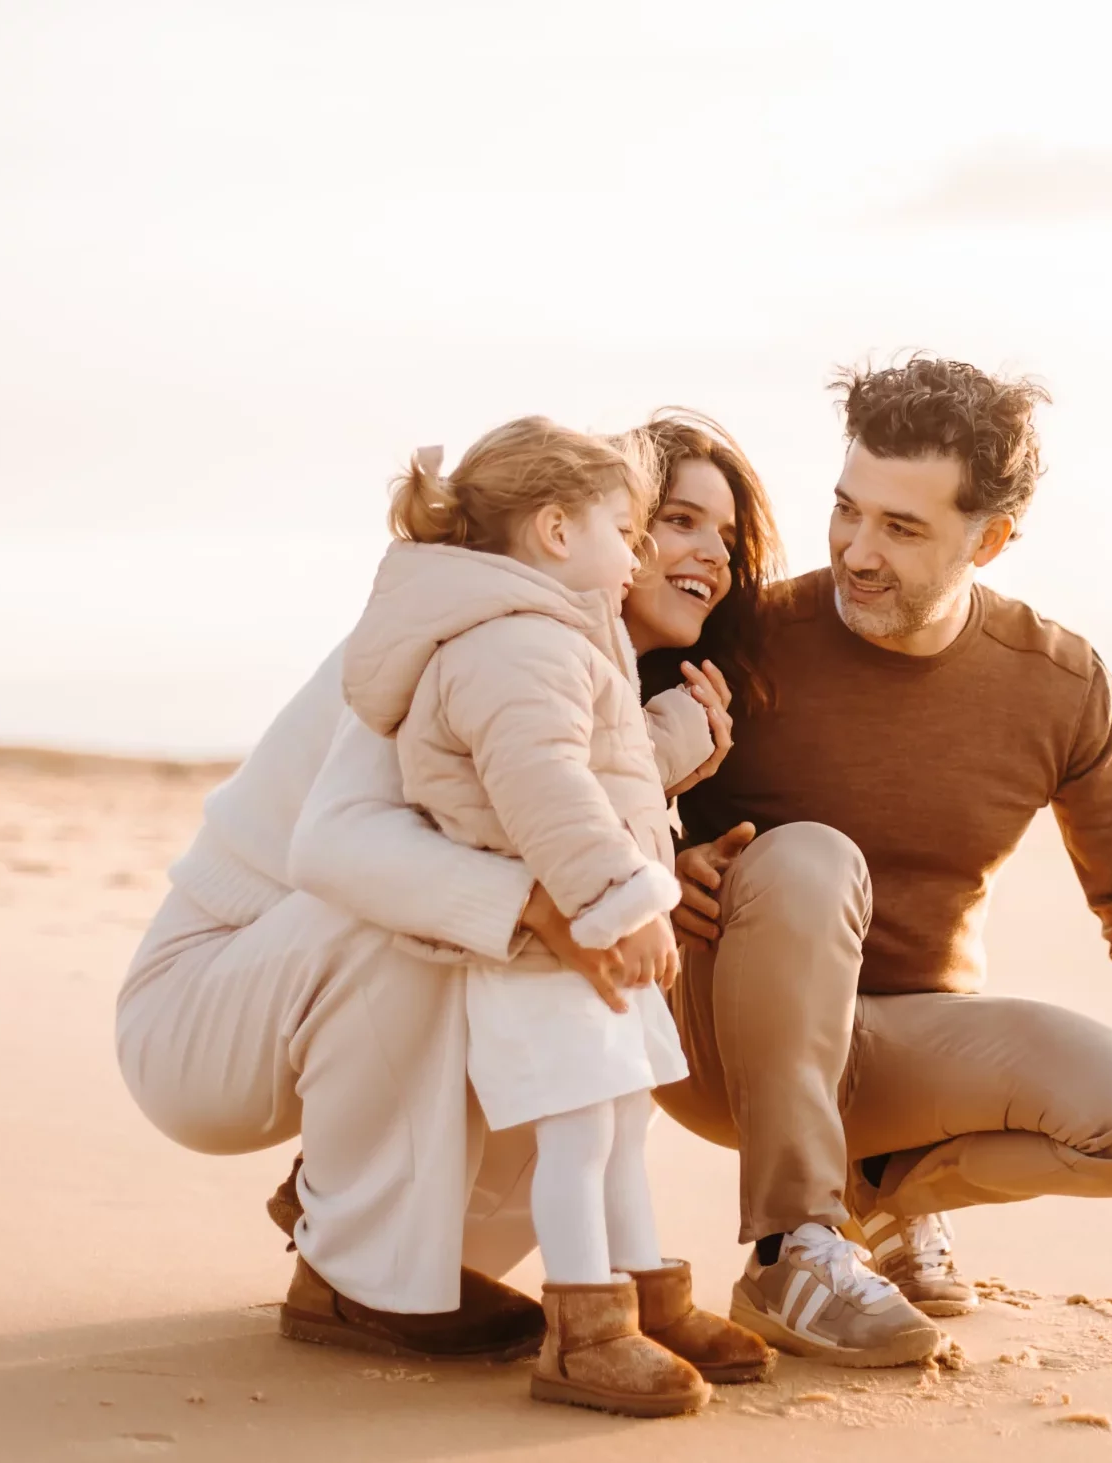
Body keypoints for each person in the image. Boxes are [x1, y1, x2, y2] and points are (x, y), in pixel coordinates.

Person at [114, 409, 783, 1363]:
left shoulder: (594, 678)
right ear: (574, 526)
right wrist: (549, 905)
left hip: (311, 997)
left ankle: (430, 1255)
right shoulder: (446, 629)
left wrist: (661, 843)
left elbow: (527, 816)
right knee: (462, 928)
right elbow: (338, 848)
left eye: (726, 536)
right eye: (673, 520)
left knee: (584, 1030)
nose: (708, 554)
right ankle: (356, 1267)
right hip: (204, 1014)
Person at [655, 356, 1112, 1367]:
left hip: (903, 1054)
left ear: (990, 539)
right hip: (725, 1042)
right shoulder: (740, 636)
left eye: (902, 527)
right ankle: (793, 1244)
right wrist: (667, 862)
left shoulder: (1059, 683)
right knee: (809, 860)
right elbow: (582, 777)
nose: (858, 551)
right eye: (847, 510)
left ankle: (886, 1194)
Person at [335, 416, 768, 1416]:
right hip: (544, 951)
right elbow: (547, 793)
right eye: (628, 530)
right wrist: (625, 901)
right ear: (557, 531)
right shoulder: (514, 644)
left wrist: (675, 738)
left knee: (617, 1128)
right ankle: (586, 1331)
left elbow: (595, 770)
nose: (638, 555)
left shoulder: (550, 640)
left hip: (574, 941)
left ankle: (645, 1296)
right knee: (578, 1137)